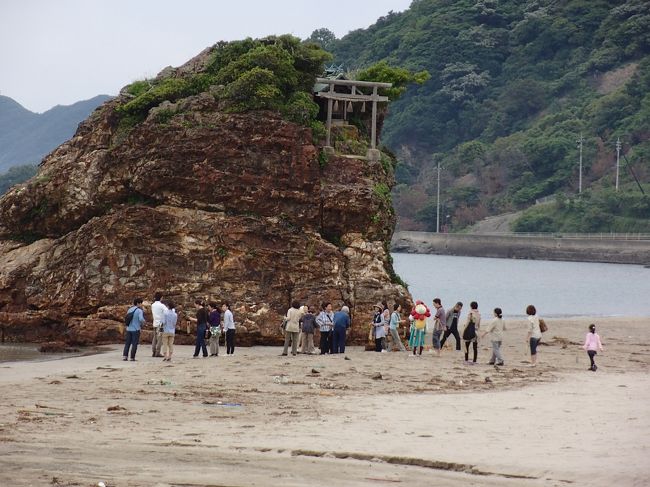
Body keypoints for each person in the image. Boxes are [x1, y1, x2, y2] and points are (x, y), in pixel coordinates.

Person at [151, 292, 167, 357]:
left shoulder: (153, 305)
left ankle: (153, 351)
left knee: (154, 338)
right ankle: (158, 352)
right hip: (160, 324)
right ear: (161, 298)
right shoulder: (162, 305)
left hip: (155, 323)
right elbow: (166, 312)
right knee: (160, 338)